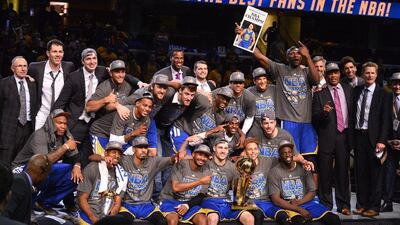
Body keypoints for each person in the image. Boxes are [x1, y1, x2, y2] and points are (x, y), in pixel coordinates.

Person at [250, 39, 320, 172]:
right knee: (288, 156)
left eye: (299, 53)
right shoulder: (280, 69)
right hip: (288, 121)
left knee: (309, 158)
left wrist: (308, 56)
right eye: (292, 53)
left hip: (307, 121)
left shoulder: (306, 71)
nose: (296, 55)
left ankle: (311, 191)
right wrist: (246, 37)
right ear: (287, 57)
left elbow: (316, 80)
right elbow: (259, 56)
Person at [12, 109, 79, 214]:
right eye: (59, 123)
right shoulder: (40, 135)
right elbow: (42, 162)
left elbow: (76, 157)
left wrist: (77, 166)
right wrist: (65, 147)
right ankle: (28, 206)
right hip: (21, 168)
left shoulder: (65, 134)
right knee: (44, 170)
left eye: (65, 123)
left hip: (45, 168)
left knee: (75, 175)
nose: (63, 126)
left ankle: (43, 202)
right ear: (51, 122)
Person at [52, 48, 109, 169]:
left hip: (95, 123)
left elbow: (121, 74)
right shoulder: (74, 77)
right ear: (82, 61)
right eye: (88, 59)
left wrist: (139, 83)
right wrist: (60, 124)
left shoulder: (102, 72)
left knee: (89, 158)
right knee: (70, 157)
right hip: (76, 122)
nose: (92, 62)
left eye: (94, 58)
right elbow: (59, 103)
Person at [312, 63, 353, 215]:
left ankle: (344, 205)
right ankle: (326, 204)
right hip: (326, 137)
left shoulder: (349, 90)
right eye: (330, 73)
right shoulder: (319, 94)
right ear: (327, 76)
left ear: (339, 74)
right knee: (325, 172)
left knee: (343, 172)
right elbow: (314, 117)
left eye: (335, 72)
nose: (333, 76)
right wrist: (323, 112)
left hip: (344, 136)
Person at [268, 140, 341, 225]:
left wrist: (299, 202)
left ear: (293, 153)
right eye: (284, 153)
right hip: (288, 206)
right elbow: (276, 200)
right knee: (300, 221)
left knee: (334, 219)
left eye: (289, 152)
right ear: (279, 155)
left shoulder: (303, 168)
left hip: (305, 202)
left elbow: (312, 191)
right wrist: (298, 209)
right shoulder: (274, 172)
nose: (287, 155)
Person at [118, 136, 184, 225]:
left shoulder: (153, 161)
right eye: (140, 147)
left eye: (145, 147)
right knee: (122, 221)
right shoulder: (124, 160)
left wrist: (177, 156)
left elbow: (171, 160)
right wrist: (104, 158)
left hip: (146, 205)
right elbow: (98, 157)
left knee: (162, 222)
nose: (143, 150)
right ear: (133, 149)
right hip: (127, 205)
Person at [352, 62, 390, 217]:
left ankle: (374, 207)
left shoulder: (384, 94)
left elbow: (386, 120)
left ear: (376, 74)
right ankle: (362, 204)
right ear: (362, 74)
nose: (369, 75)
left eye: (372, 73)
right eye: (367, 73)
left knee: (375, 174)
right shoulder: (357, 91)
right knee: (360, 173)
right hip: (359, 136)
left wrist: (382, 140)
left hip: (375, 139)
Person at [201, 138, 254, 225]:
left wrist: (245, 184)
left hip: (226, 201)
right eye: (220, 148)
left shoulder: (233, 167)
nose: (223, 151)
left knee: (249, 218)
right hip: (209, 200)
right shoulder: (206, 164)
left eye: (225, 148)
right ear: (214, 148)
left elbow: (237, 191)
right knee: (213, 218)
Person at [87, 60, 133, 157]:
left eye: (122, 72)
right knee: (103, 161)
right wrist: (106, 99)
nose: (120, 75)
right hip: (100, 131)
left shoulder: (127, 86)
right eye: (117, 72)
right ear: (111, 73)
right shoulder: (104, 87)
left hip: (116, 132)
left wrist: (117, 105)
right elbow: (88, 107)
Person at [28, 39, 75, 130]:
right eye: (54, 51)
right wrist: (25, 77)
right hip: (41, 115)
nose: (58, 55)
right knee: (38, 142)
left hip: (60, 117)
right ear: (48, 53)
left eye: (60, 52)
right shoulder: (35, 68)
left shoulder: (69, 67)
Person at [159, 144, 211, 225]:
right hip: (170, 200)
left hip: (188, 203)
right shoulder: (181, 164)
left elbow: (201, 195)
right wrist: (200, 182)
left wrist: (187, 205)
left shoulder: (206, 172)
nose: (202, 158)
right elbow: (176, 188)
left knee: (203, 221)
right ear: (193, 154)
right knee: (173, 221)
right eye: (200, 154)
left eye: (205, 156)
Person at [242, 138, 290, 225]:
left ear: (259, 150)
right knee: (258, 216)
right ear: (245, 151)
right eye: (250, 149)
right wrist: (243, 183)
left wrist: (304, 161)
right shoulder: (241, 166)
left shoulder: (267, 161)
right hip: (251, 203)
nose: (253, 152)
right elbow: (238, 195)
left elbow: (285, 158)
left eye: (255, 149)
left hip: (267, 202)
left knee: (283, 216)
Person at [0, 56, 37, 165]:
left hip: (28, 128)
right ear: (12, 68)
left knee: (22, 163)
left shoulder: (33, 84)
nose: (23, 68)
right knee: (5, 163)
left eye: (25, 66)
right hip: (8, 129)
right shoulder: (3, 84)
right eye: (19, 66)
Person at [77, 141, 125, 224]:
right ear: (106, 154)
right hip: (89, 216)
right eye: (113, 152)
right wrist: (93, 219)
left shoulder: (121, 174)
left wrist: (111, 216)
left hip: (106, 217)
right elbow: (82, 199)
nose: (117, 156)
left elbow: (117, 202)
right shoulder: (92, 168)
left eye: (119, 154)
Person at [4, 154, 51, 224]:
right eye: (47, 175)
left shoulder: (24, 181)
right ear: (42, 173)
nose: (45, 178)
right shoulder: (20, 183)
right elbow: (4, 215)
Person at [382, 72, 400, 212]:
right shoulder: (386, 100)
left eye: (399, 83)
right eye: (394, 83)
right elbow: (382, 122)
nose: (397, 86)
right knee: (388, 173)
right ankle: (387, 202)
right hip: (390, 143)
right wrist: (388, 141)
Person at [247, 67, 276, 137]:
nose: (262, 81)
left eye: (264, 78)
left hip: (272, 127)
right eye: (259, 79)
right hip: (256, 128)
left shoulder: (274, 89)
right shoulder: (249, 91)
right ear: (254, 81)